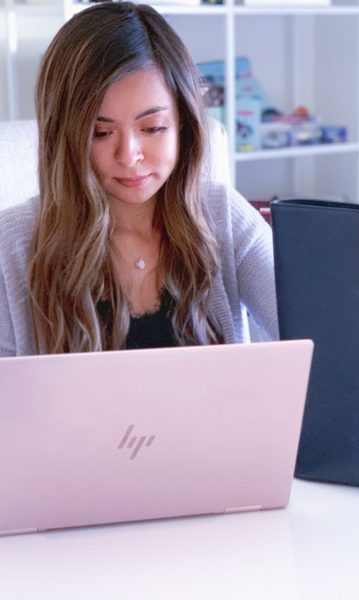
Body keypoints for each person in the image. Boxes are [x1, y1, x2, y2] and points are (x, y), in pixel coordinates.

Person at [0, 2, 278, 356]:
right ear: (63, 136)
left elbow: (319, 336)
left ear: (183, 124)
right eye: (99, 133)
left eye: (152, 128)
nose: (129, 155)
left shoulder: (223, 214)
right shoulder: (12, 242)